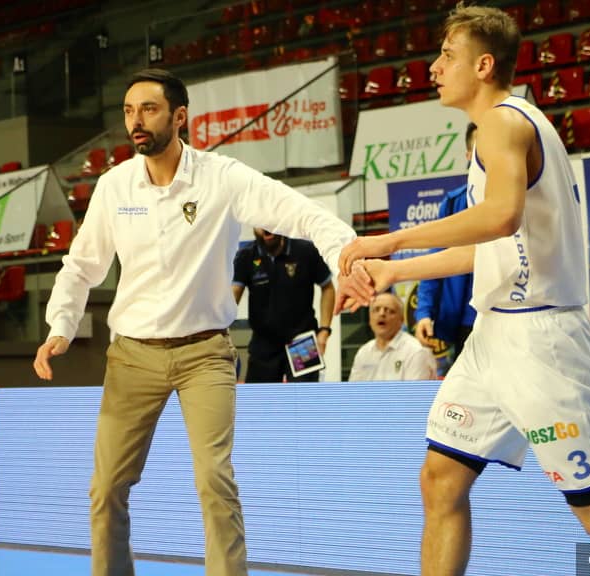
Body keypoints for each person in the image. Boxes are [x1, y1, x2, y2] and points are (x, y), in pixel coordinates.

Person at [334, 6, 590, 575]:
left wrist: (393, 238)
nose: (433, 67)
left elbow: (500, 216)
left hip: (540, 340)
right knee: (441, 479)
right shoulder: (503, 128)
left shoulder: (503, 122)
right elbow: (495, 245)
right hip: (494, 335)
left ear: (484, 65)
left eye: (447, 55)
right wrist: (397, 271)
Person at [33, 68, 355, 576]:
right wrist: (60, 327)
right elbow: (81, 266)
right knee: (107, 487)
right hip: (132, 356)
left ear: (179, 116)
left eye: (148, 109)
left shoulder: (222, 177)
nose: (136, 122)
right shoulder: (114, 186)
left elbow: (300, 213)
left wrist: (347, 258)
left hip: (205, 353)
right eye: (128, 111)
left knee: (213, 480)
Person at [232, 228, 335, 382]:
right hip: (264, 343)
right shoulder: (246, 255)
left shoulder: (305, 251)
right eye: (260, 223)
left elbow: (328, 288)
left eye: (269, 222)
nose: (265, 227)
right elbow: (233, 295)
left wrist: (324, 330)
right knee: (260, 396)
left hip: (302, 341)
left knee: (304, 395)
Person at [413, 123, 478, 361]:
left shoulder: (521, 198)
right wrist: (424, 312)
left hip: (510, 317)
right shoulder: (453, 204)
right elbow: (436, 259)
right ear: (468, 155)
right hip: (465, 322)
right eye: (480, 148)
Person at [348, 292, 437, 382]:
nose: (382, 314)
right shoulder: (364, 352)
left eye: (389, 310)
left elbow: (415, 391)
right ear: (370, 318)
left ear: (401, 320)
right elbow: (353, 389)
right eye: (376, 309)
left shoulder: (416, 351)